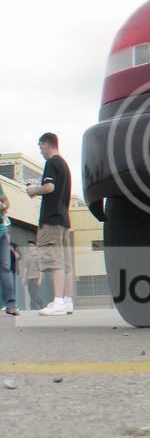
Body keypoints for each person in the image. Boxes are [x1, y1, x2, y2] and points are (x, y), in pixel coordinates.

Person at [25, 133, 74, 316]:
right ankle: (67, 301)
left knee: (55, 262)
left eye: (40, 147)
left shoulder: (52, 163)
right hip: (64, 220)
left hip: (51, 220)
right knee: (66, 263)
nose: (40, 151)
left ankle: (58, 301)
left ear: (46, 144)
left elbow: (49, 187)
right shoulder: (65, 165)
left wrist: (33, 190)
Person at [0, 181, 20, 316]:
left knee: (5, 269)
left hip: (2, 230)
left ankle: (11, 305)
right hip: (3, 231)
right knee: (5, 270)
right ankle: (10, 305)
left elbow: (6, 201)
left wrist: (3, 206)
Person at [21, 239, 44, 310]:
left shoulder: (38, 256)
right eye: (29, 246)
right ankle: (40, 303)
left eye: (31, 246)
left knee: (33, 293)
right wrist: (24, 278)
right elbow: (26, 268)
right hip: (29, 277)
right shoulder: (27, 256)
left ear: (35, 247)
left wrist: (40, 279)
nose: (30, 248)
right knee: (31, 293)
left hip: (36, 277)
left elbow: (41, 268)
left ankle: (34, 307)